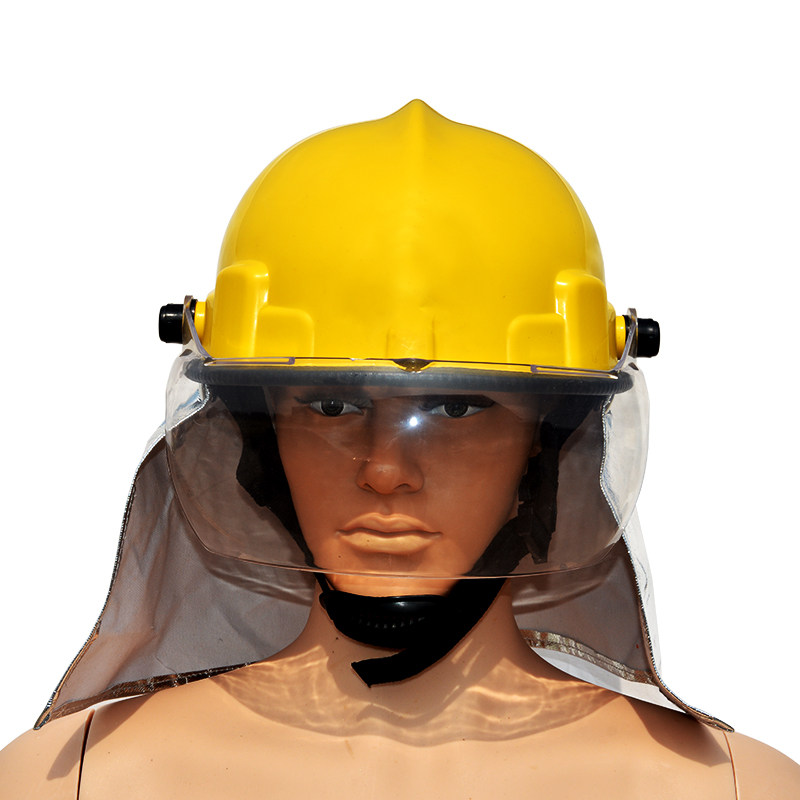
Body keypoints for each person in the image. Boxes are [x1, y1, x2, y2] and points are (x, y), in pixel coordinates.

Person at [1, 100, 798, 798]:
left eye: (458, 406)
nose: (385, 470)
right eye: (332, 405)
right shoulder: (65, 782)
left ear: (547, 443)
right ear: (258, 436)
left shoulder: (737, 789)